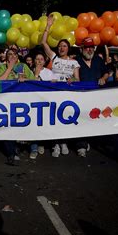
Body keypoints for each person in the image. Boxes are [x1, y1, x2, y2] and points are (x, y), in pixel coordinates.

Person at [42, 14, 80, 158]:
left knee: (64, 119)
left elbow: (77, 79)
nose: (61, 48)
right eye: (59, 46)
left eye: (64, 46)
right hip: (54, 93)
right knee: (53, 119)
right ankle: (55, 144)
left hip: (67, 94)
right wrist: (48, 26)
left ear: (68, 48)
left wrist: (71, 80)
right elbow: (44, 43)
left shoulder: (74, 63)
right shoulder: (54, 58)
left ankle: (63, 142)